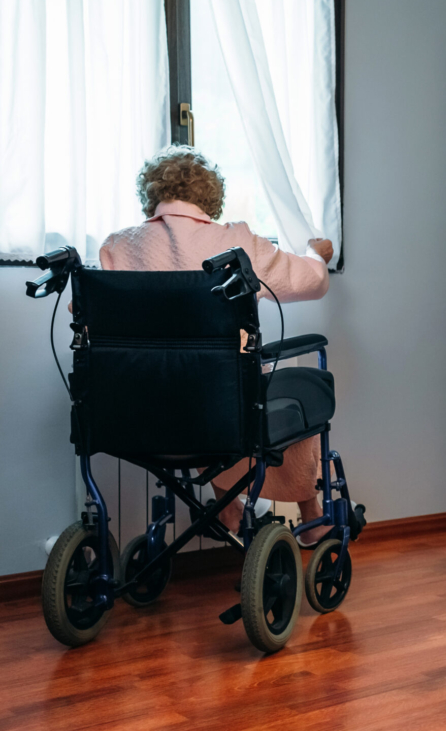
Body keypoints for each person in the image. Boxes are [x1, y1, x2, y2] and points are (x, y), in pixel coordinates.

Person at [97, 145, 335, 545]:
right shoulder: (238, 243)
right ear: (211, 196)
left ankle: (226, 504)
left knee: (214, 386)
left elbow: (89, 311)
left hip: (140, 415)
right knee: (288, 391)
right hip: (219, 412)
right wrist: (316, 253)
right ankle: (311, 514)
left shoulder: (118, 246)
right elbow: (312, 282)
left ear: (151, 194)